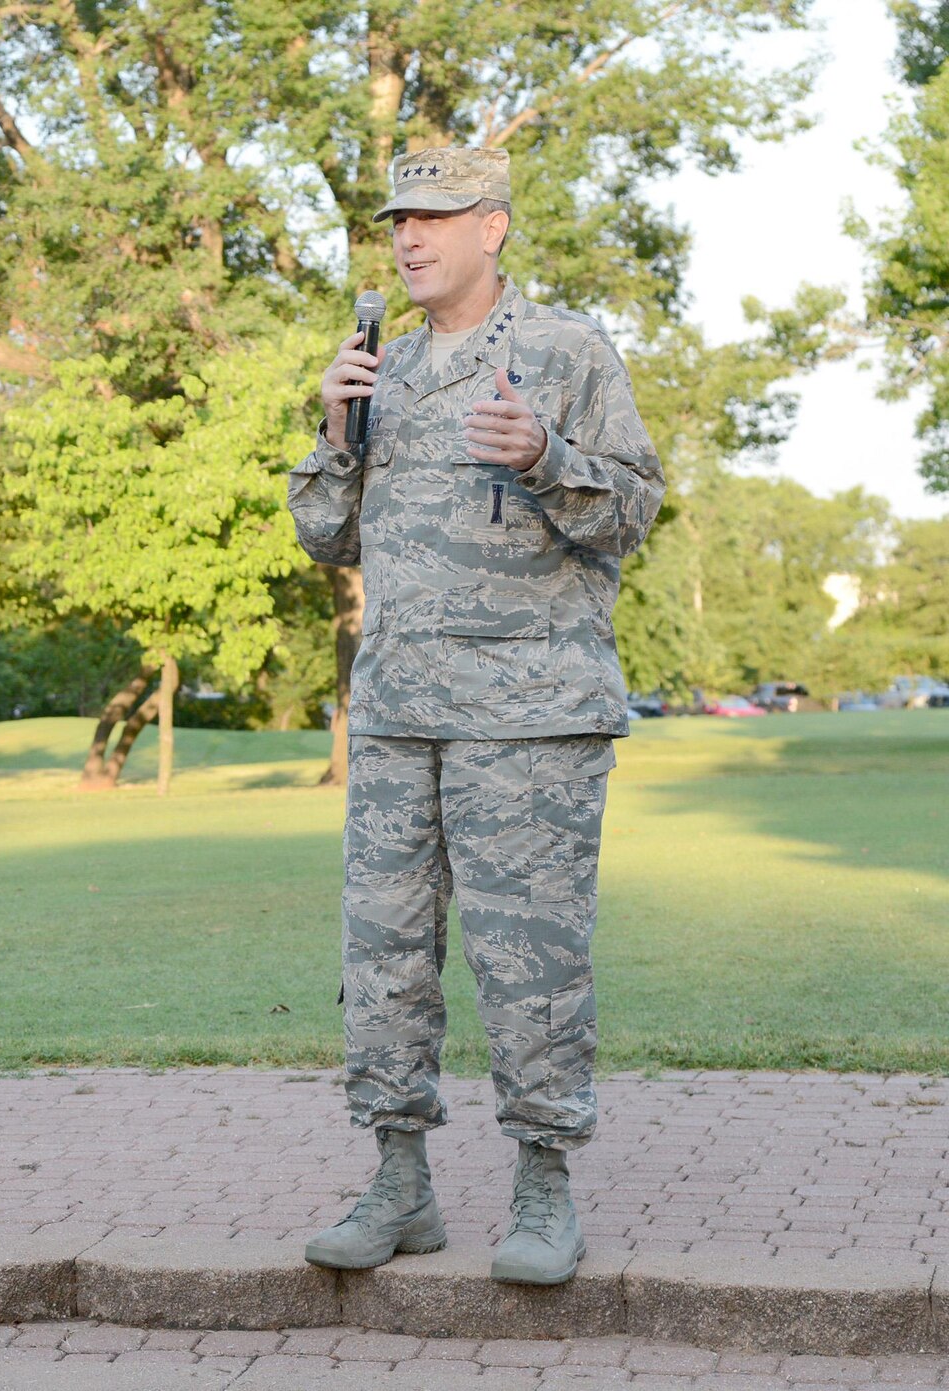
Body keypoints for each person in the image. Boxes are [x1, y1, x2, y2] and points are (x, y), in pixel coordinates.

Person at [288, 150, 664, 1286]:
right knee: (383, 952)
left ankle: (543, 1189)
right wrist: (330, 426)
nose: (409, 238)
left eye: (436, 218)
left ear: (490, 227)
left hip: (528, 711)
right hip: (401, 707)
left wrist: (548, 459)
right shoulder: (378, 365)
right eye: (398, 218)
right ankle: (398, 1183)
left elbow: (635, 507)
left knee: (528, 960)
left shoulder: (565, 351)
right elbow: (324, 536)